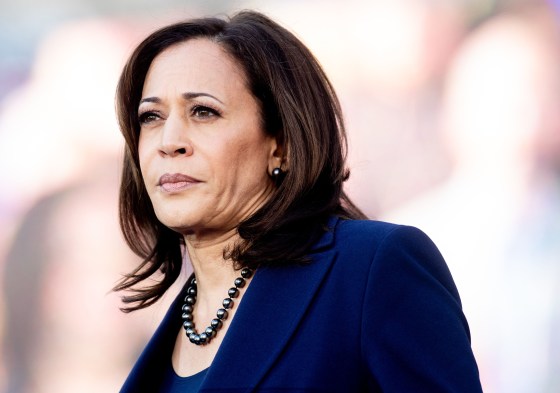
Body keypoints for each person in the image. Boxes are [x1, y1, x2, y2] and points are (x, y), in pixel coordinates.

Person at [114, 10, 482, 392]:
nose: (168, 141)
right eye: (151, 116)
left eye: (204, 112)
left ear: (282, 146)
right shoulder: (170, 328)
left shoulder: (374, 267)